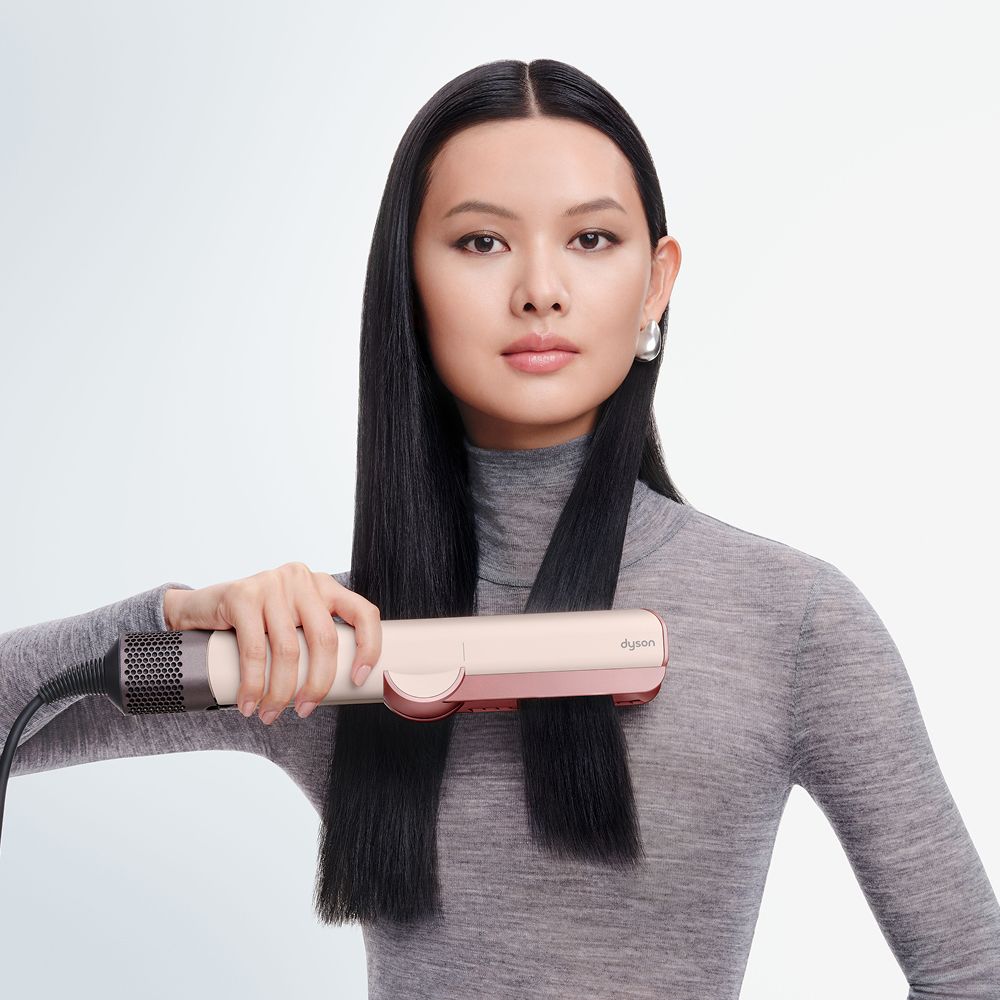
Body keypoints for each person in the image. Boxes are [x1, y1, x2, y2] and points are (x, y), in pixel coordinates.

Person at [3, 57, 999, 998]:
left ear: (656, 283)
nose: (540, 289)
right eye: (481, 241)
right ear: (407, 280)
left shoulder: (794, 622)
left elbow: (970, 971)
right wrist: (176, 617)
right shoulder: (323, 652)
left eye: (591, 240)